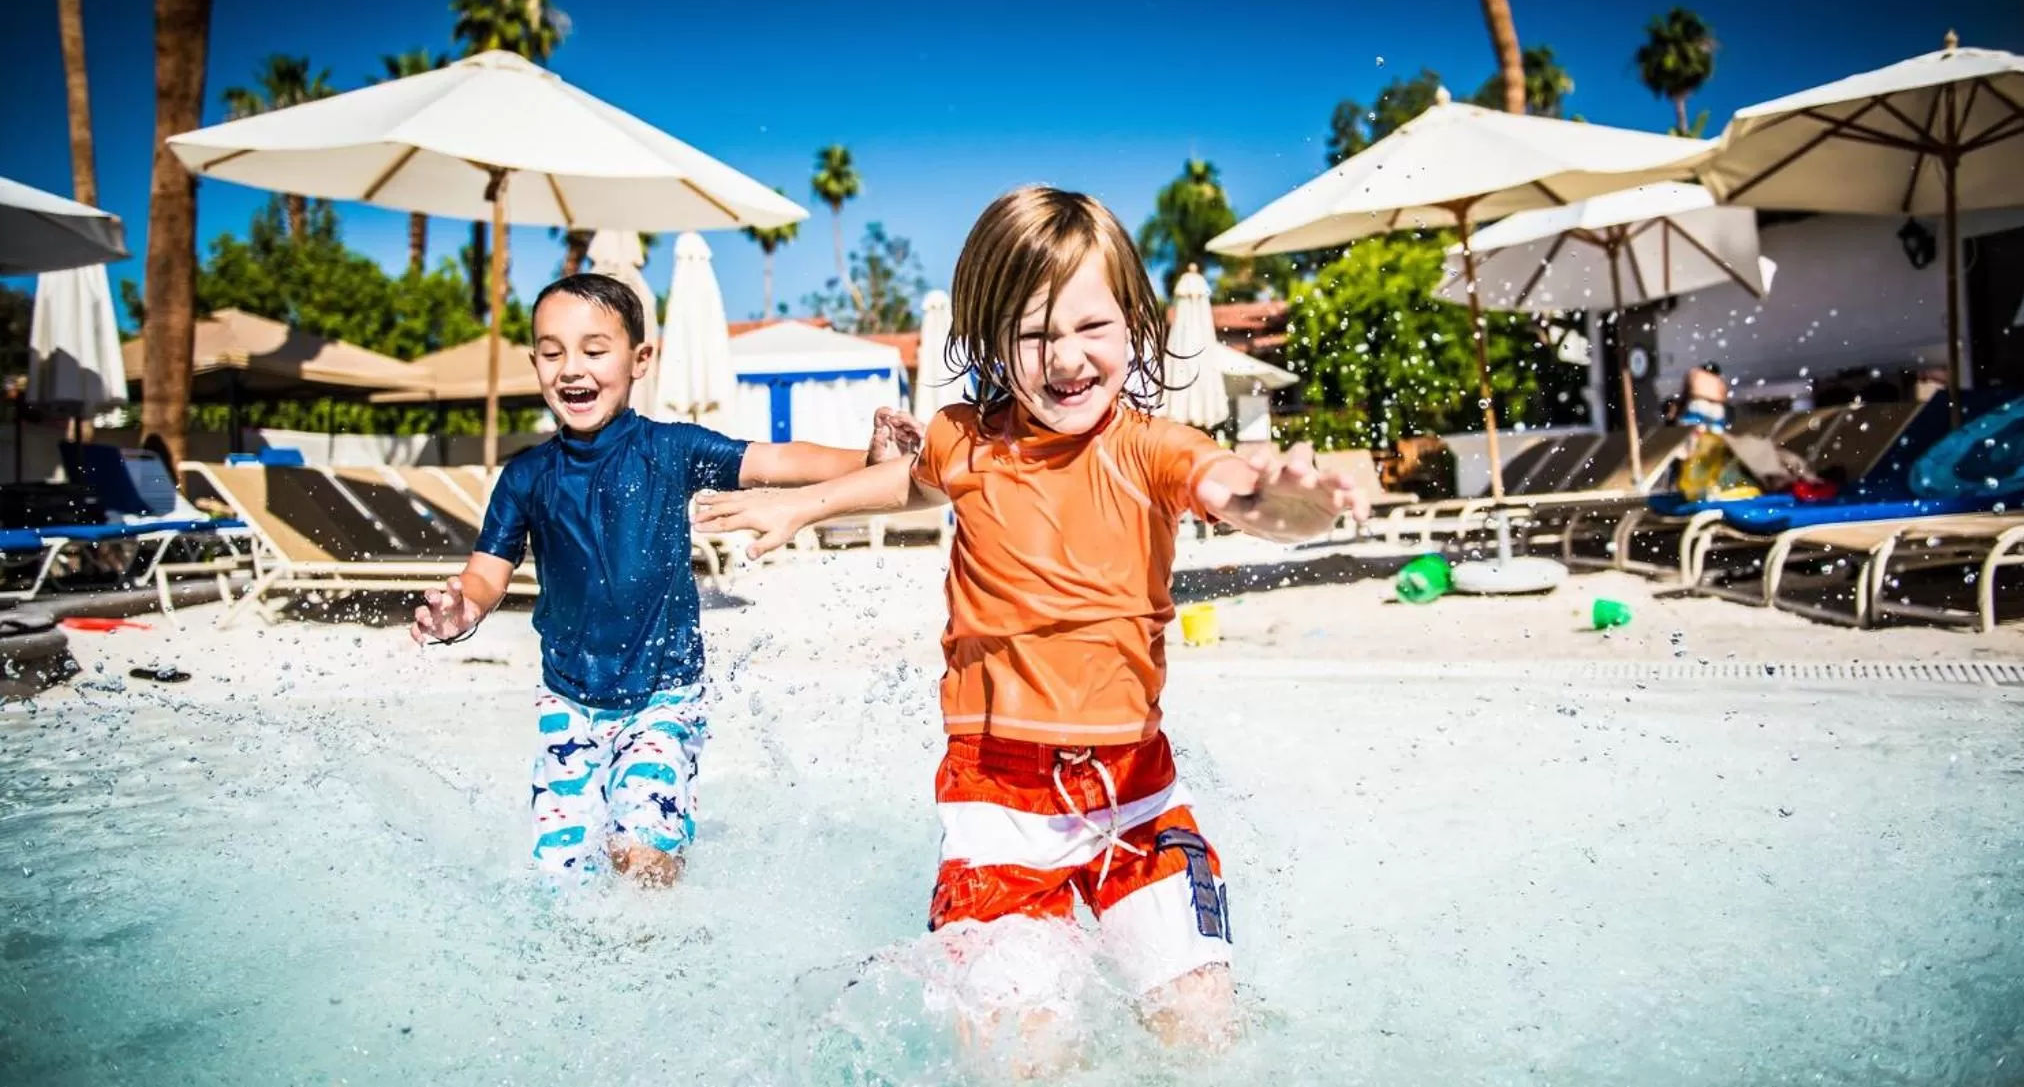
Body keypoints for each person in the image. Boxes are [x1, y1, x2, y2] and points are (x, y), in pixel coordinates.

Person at [694, 187, 1368, 1057]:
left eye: (1092, 326)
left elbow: (1236, 490)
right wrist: (803, 504)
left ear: (1135, 325)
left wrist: (1289, 505)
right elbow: (911, 480)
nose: (1067, 356)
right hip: (996, 803)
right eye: (1035, 333)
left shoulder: (1152, 449)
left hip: (1137, 793)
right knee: (1028, 1051)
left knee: (1202, 1030)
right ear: (988, 340)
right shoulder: (965, 439)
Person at [410, 272, 921, 888]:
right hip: (567, 701)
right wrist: (462, 610)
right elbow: (486, 574)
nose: (572, 369)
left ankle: (659, 936)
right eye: (552, 353)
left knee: (645, 851)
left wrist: (865, 462)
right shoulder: (526, 477)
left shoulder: (669, 450)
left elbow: (777, 459)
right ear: (535, 363)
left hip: (663, 695)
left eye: (594, 351)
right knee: (559, 875)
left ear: (640, 359)